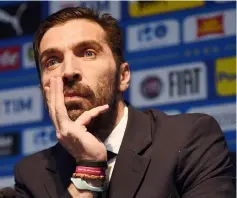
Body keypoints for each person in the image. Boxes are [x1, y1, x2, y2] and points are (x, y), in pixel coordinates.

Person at [13, 6, 235, 198]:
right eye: (52, 61)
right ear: (43, 87)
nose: (68, 71)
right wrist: (88, 169)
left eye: (88, 53)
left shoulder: (188, 138)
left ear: (122, 76)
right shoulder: (33, 175)